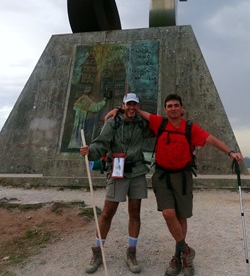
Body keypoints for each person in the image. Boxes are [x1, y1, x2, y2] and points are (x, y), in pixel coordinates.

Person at [106, 93, 244, 276]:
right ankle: (187, 250)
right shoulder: (159, 122)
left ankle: (179, 257)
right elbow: (137, 111)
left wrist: (231, 152)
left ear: (181, 109)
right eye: (169, 106)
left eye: (176, 105)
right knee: (168, 213)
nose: (173, 108)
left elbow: (211, 139)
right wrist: (118, 109)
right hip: (162, 175)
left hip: (183, 176)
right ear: (165, 109)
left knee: (181, 217)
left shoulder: (190, 128)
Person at [80, 93, 153, 274]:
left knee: (135, 212)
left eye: (135, 105)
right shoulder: (113, 122)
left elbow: (158, 126)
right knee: (107, 212)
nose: (131, 108)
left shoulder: (141, 122)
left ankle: (131, 252)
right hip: (117, 170)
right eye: (128, 104)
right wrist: (90, 151)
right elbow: (102, 143)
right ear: (122, 105)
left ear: (138, 106)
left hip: (137, 171)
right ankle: (97, 252)